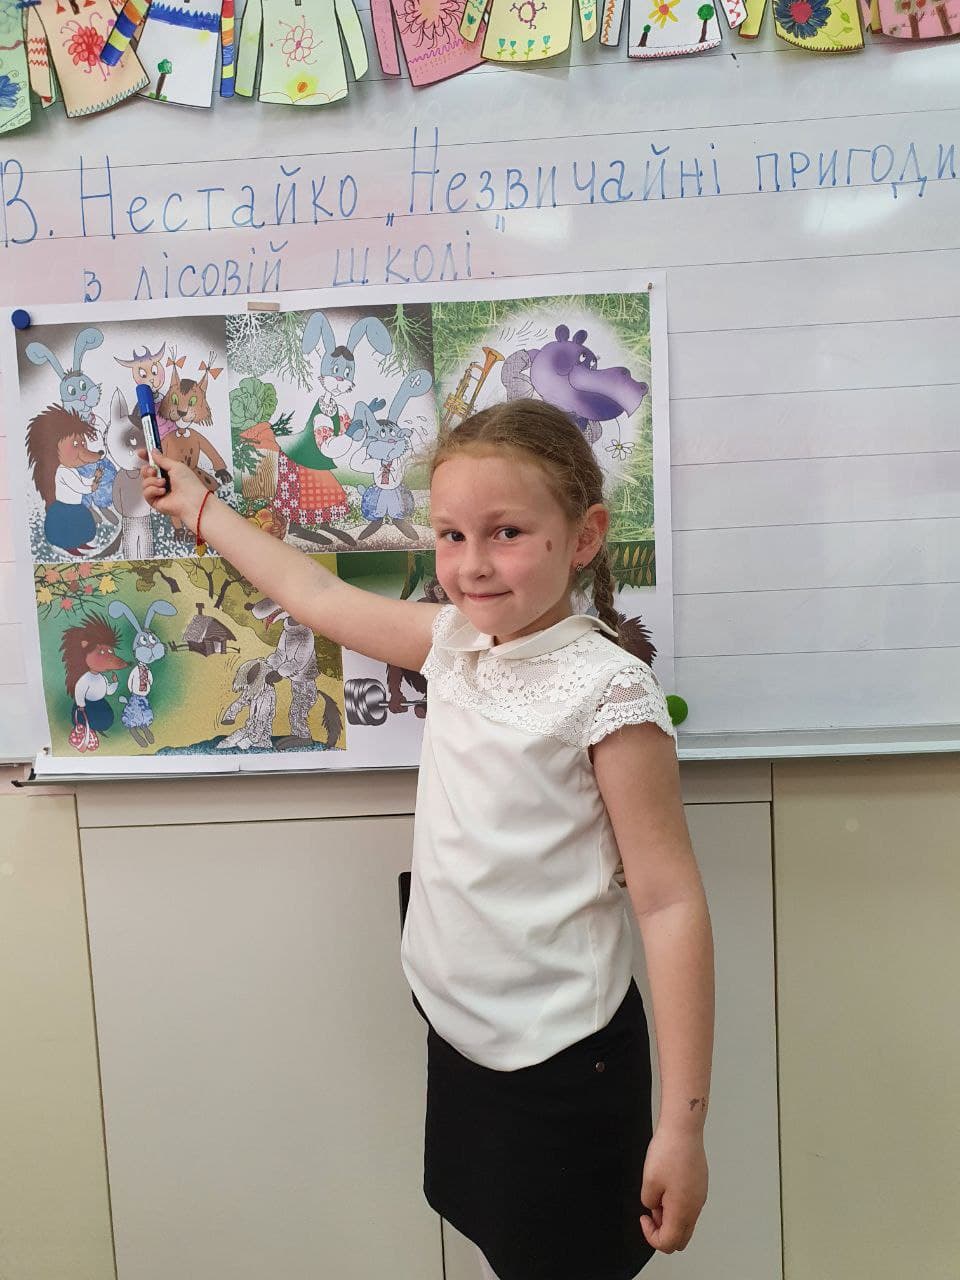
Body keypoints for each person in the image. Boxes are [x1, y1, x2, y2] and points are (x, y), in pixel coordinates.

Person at [140, 399, 715, 1280]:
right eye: (450, 535)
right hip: (459, 1036)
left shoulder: (609, 692)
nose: (471, 564)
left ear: (585, 536)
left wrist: (681, 1128)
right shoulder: (452, 642)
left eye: (506, 532)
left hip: (560, 1063)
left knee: (564, 1260)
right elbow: (316, 595)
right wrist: (198, 505)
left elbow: (670, 905)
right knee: (496, 1242)